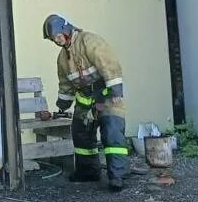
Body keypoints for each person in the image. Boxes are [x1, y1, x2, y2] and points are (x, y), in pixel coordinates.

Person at [35, 14, 129, 191]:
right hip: (85, 101)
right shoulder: (62, 58)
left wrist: (116, 90)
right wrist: (62, 106)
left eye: (57, 36)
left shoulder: (89, 41)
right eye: (53, 39)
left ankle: (118, 177)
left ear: (66, 29)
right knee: (81, 135)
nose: (57, 41)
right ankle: (88, 172)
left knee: (112, 134)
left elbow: (108, 64)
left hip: (107, 96)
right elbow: (65, 85)